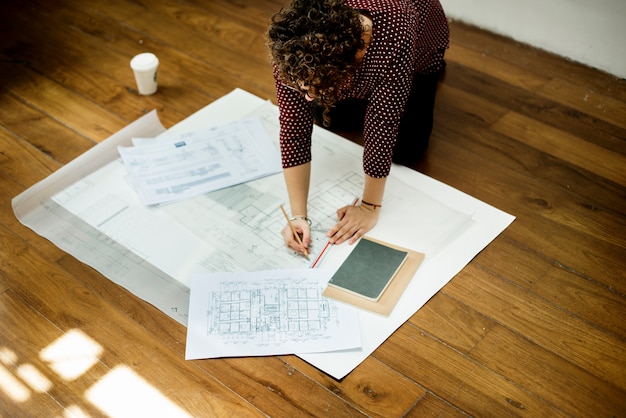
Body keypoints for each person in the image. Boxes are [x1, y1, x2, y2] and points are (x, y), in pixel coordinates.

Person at [267, 0, 449, 256]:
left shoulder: (395, 30)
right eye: (302, 86)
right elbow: (293, 129)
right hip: (345, 67)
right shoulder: (293, 49)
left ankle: (404, 78)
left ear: (353, 60)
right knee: (328, 118)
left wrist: (369, 207)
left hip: (420, 46)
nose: (307, 96)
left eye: (314, 87)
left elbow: (382, 124)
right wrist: (298, 215)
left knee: (407, 150)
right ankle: (356, 91)